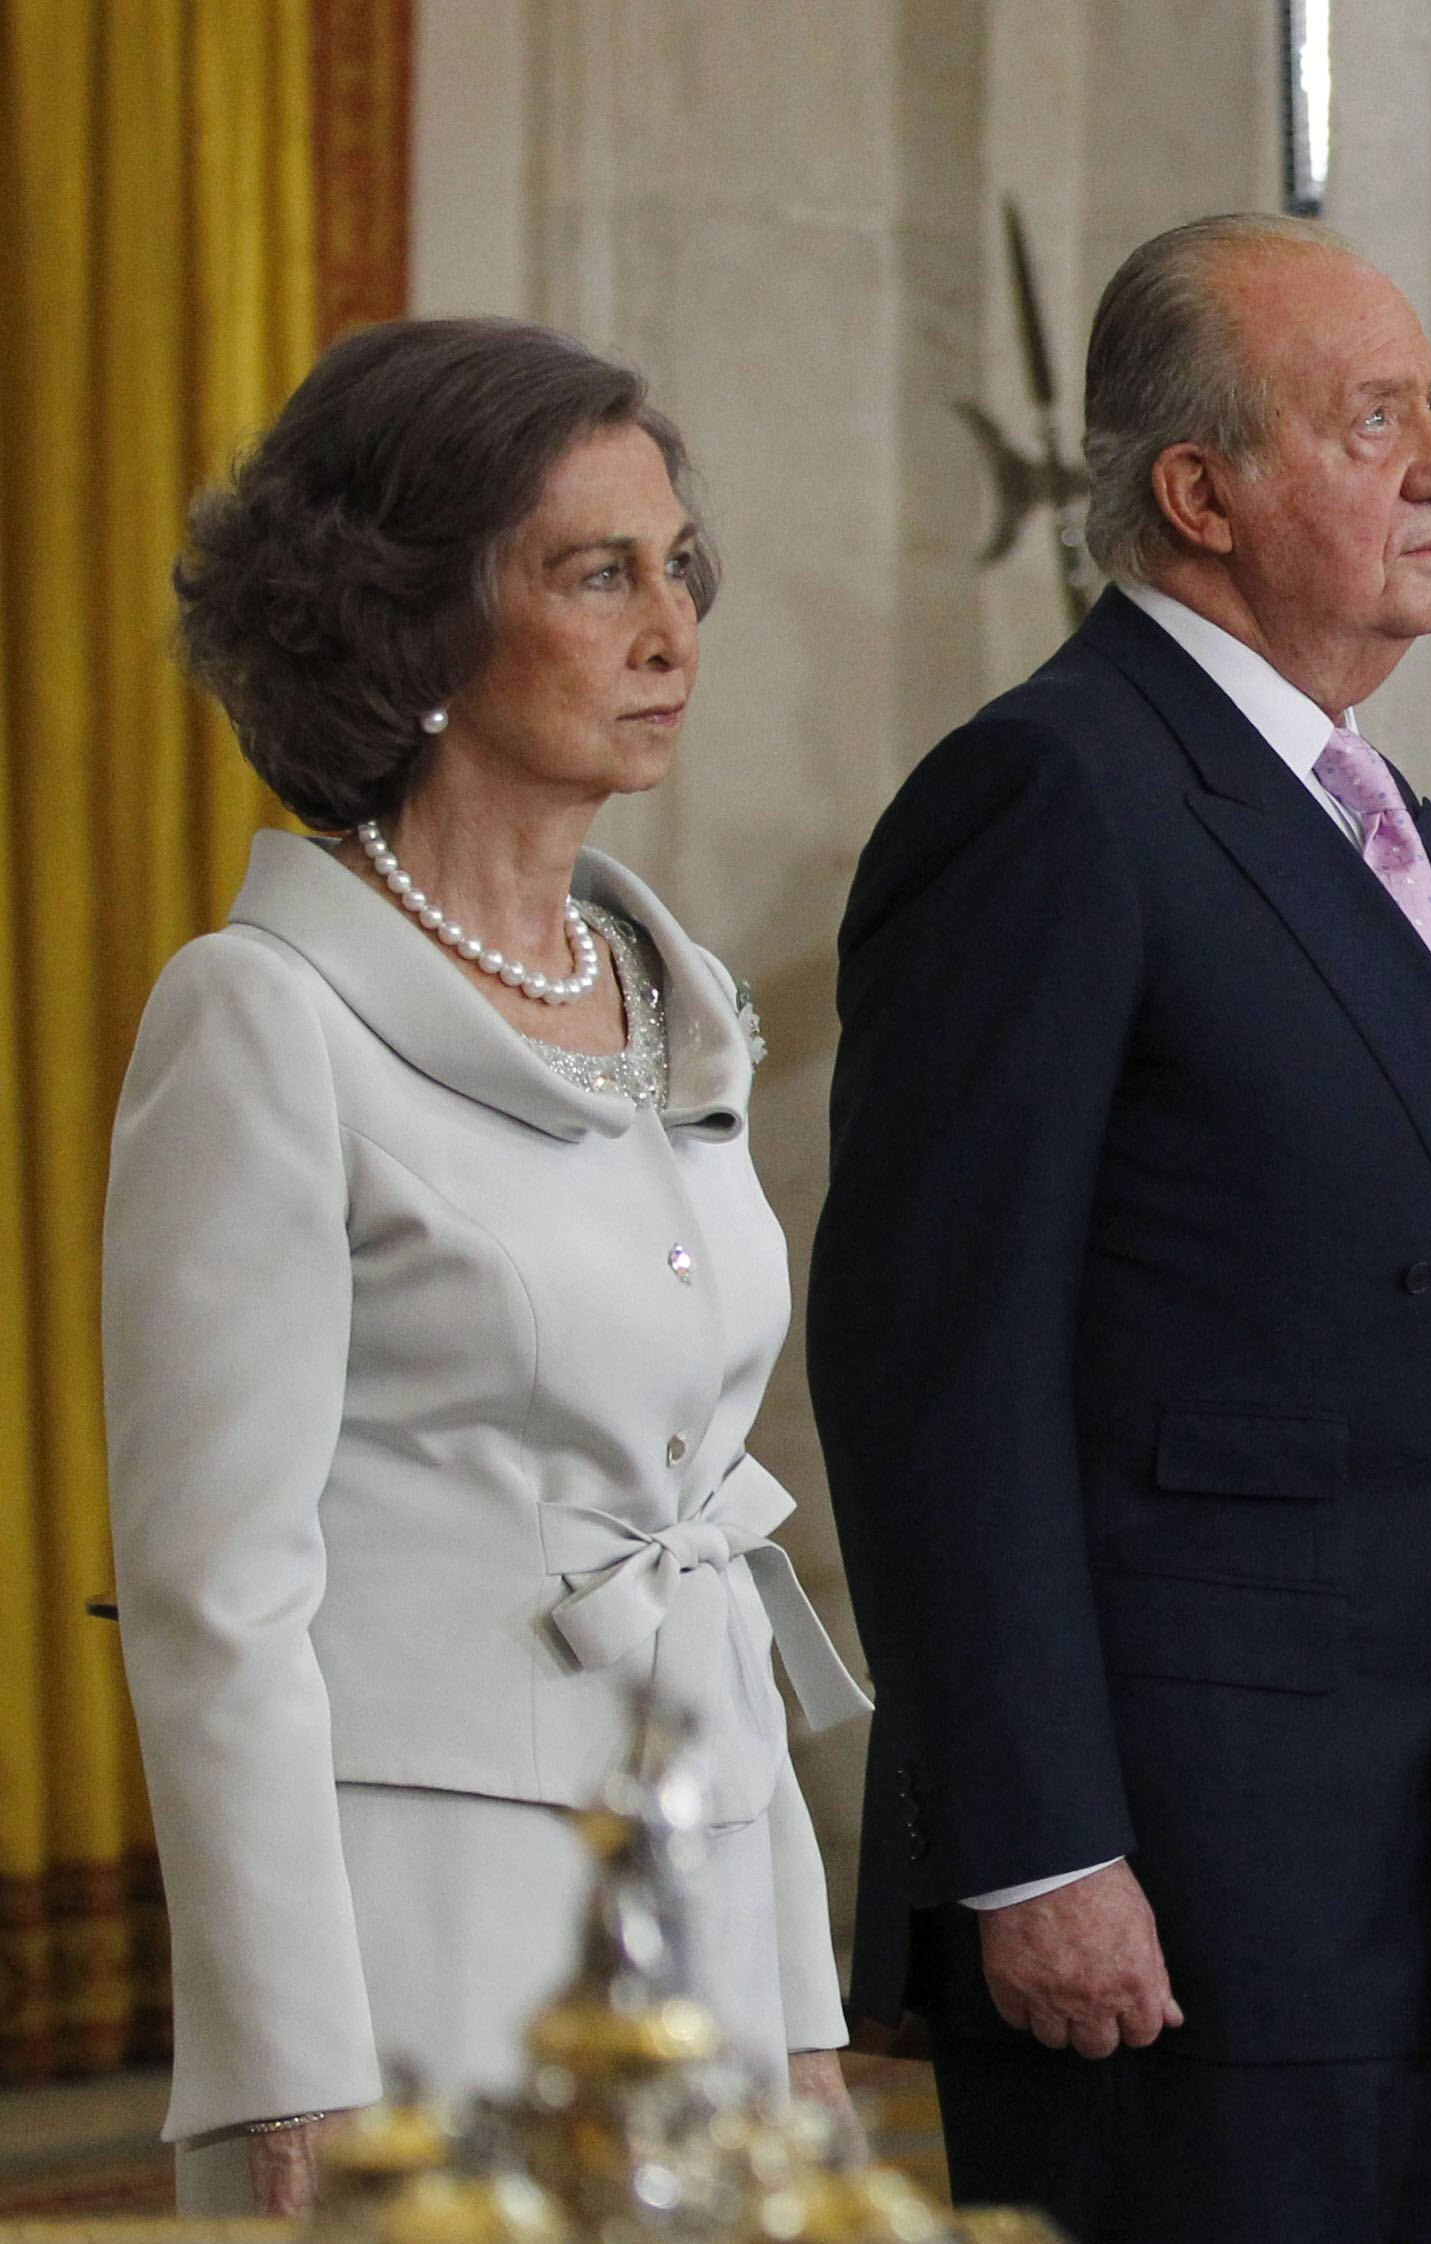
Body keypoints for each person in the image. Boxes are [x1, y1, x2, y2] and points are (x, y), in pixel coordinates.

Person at [810, 213, 1431, 2244]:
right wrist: (1037, 1846)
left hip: (1414, 1860)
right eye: (1375, 420)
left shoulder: (1351, 798)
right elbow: (932, 1365)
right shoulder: (1050, 794)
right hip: (1177, 1886)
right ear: (1201, 495)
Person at [107, 317, 871, 2216]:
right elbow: (216, 1600)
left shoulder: (672, 1003)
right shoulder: (263, 1020)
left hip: (688, 1907)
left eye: (678, 567)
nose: (671, 631)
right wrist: (287, 2073)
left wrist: (801, 2004)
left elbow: (700, 1544)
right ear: (414, 627)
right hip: (416, 1937)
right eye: (597, 574)